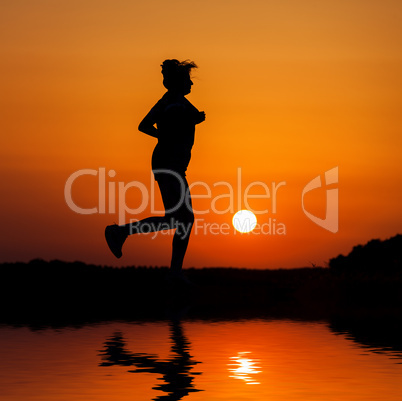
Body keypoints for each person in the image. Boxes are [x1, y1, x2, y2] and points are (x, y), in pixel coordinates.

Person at [105, 59, 205, 282]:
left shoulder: (178, 103)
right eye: (188, 80)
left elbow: (175, 123)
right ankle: (173, 272)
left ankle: (123, 234)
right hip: (169, 165)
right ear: (178, 82)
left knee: (178, 220)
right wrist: (169, 134)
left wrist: (193, 120)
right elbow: (146, 125)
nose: (191, 84)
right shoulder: (172, 103)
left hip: (173, 165)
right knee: (184, 220)